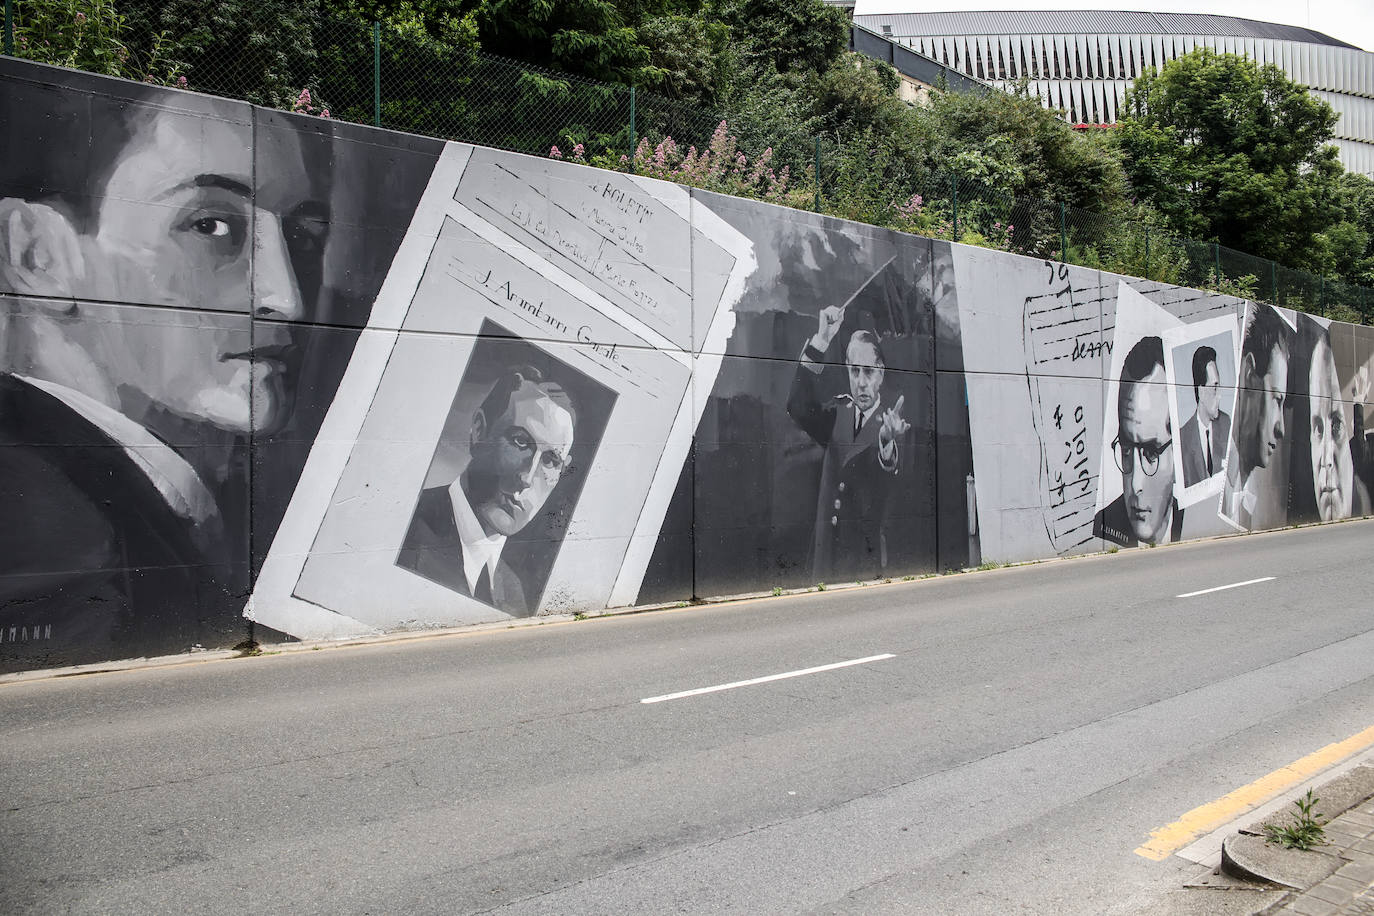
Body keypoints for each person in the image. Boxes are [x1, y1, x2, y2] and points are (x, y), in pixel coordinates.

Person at [0, 85, 326, 666]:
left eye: (302, 236)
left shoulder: (126, 498)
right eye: (211, 226)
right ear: (36, 256)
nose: (285, 298)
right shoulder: (56, 535)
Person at [398, 365, 576, 616]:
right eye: (520, 442)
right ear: (479, 430)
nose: (526, 478)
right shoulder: (404, 531)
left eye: (550, 460)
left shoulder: (514, 592)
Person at [787, 305, 910, 582]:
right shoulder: (837, 412)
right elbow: (796, 406)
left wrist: (886, 444)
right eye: (855, 371)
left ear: (881, 372)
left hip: (863, 561)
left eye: (868, 372)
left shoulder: (892, 424)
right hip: (827, 555)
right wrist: (822, 340)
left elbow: (889, 480)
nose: (861, 382)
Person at [1094, 336, 1184, 547]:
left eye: (1151, 453)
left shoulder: (1193, 516)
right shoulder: (1102, 529)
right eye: (1126, 450)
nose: (1135, 485)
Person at [1221, 306, 1290, 530]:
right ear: (1250, 376)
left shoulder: (1244, 491)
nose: (1282, 429)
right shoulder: (1215, 473)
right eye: (1276, 399)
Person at [1179, 345, 1232, 487]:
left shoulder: (1227, 424)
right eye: (1215, 387)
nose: (1219, 396)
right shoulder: (1182, 440)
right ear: (1201, 391)